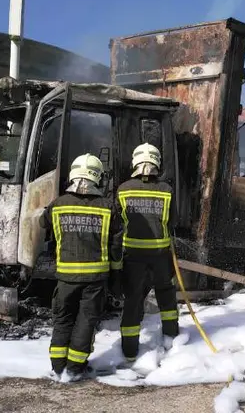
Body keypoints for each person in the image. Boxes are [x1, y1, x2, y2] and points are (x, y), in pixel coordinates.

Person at [40, 153, 123, 382]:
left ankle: (58, 367)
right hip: (95, 278)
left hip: (66, 277)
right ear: (98, 177)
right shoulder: (108, 207)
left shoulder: (58, 204)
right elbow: (116, 245)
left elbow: (42, 222)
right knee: (86, 321)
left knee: (63, 319)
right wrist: (116, 274)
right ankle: (75, 368)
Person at [116, 142, 178, 364]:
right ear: (156, 163)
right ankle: (172, 341)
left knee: (133, 301)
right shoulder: (166, 190)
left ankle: (130, 350)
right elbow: (173, 221)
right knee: (166, 297)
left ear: (135, 162)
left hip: (133, 257)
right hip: (161, 256)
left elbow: (118, 222)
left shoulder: (123, 189)